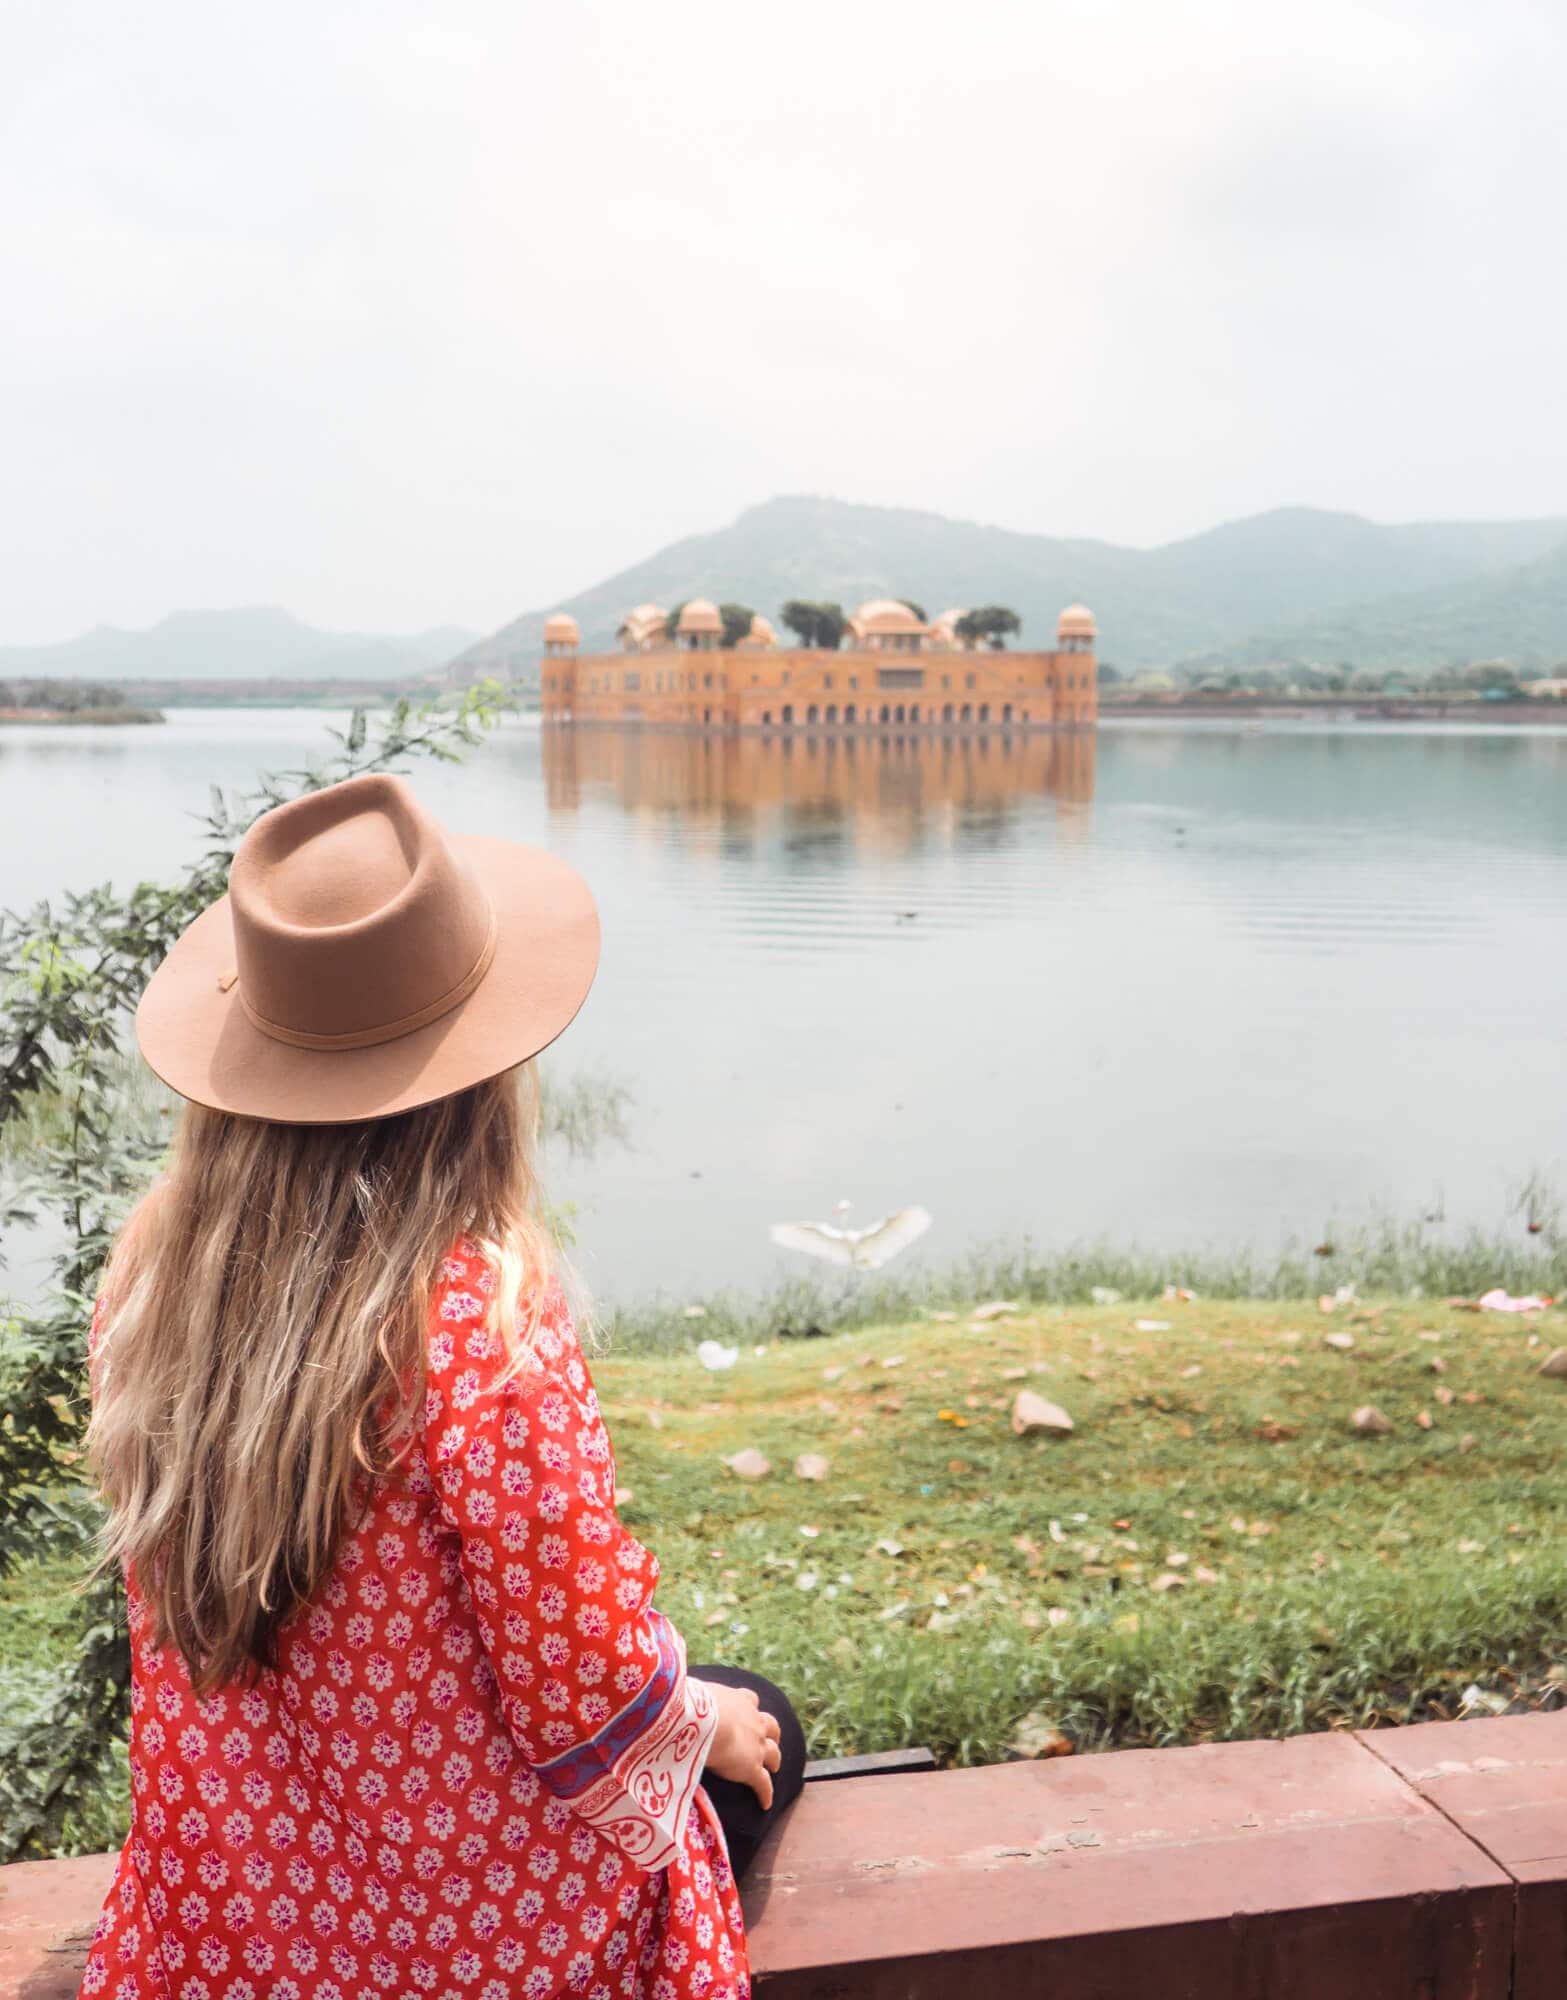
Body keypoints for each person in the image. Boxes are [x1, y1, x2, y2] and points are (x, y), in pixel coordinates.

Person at [82, 772, 805, 2000]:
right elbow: (577, 1685)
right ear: (477, 1076)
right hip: (467, 1934)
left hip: (237, 1907)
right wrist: (700, 1724)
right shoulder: (477, 1314)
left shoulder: (159, 1277)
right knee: (763, 1714)